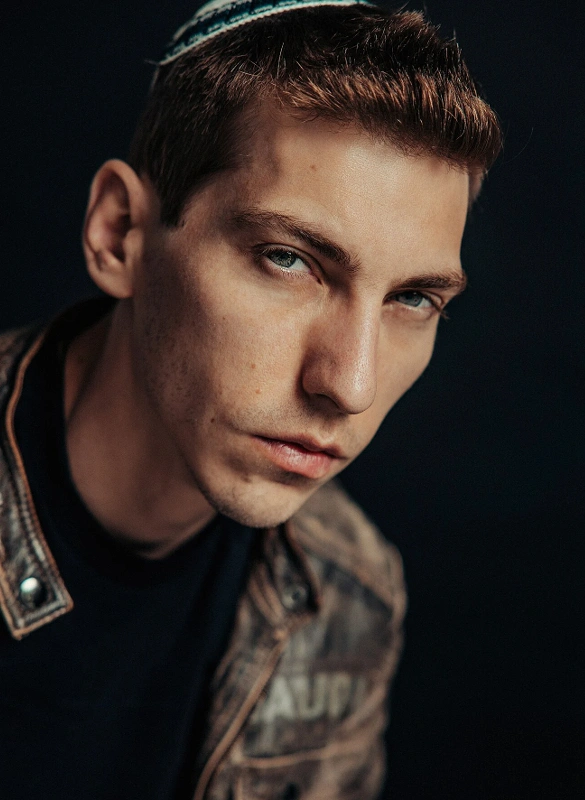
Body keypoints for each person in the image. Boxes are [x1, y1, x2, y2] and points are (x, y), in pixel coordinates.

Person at [0, 1, 501, 797]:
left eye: (412, 299)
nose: (351, 384)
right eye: (288, 259)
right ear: (121, 234)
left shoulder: (349, 592)